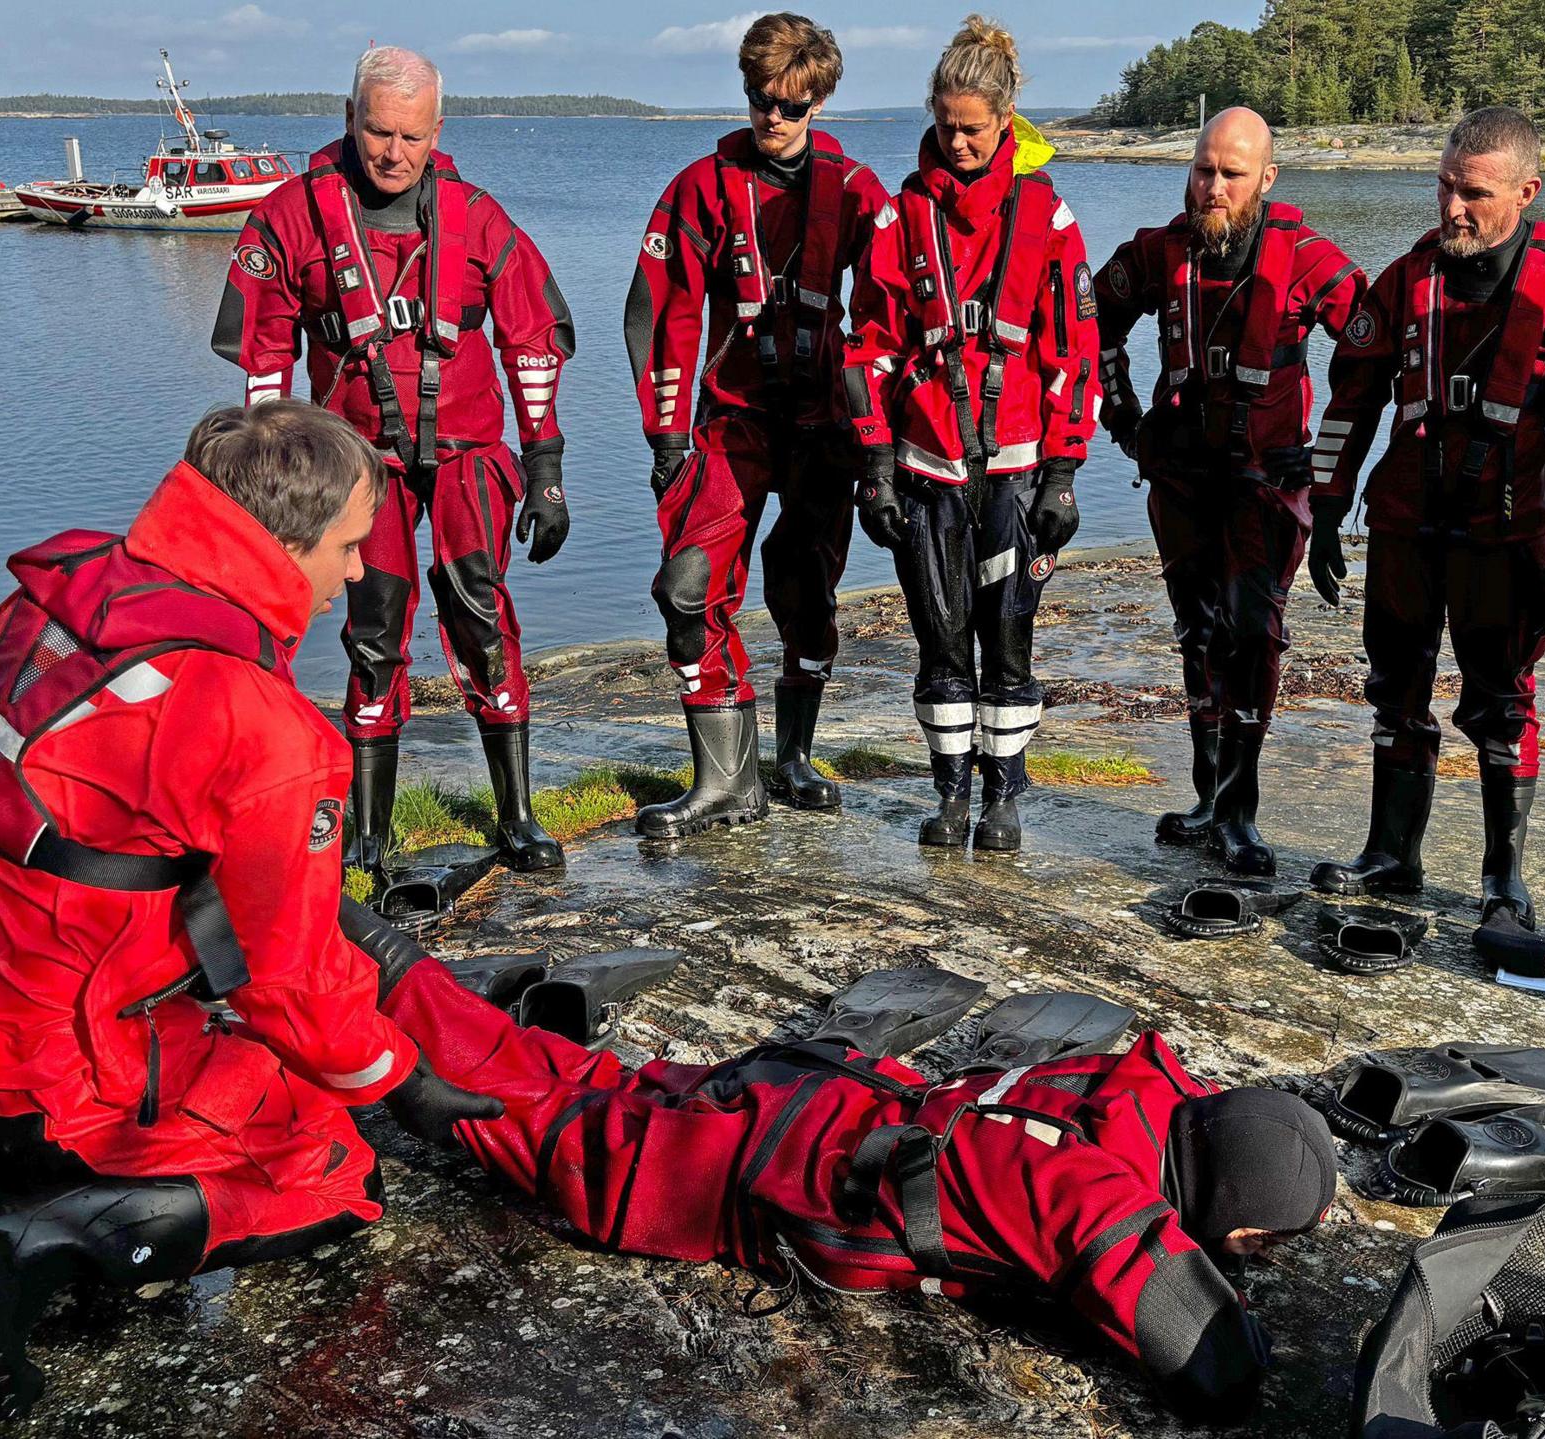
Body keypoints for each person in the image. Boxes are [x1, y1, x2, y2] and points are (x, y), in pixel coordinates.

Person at [0, 402, 501, 1432]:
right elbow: (285, 986)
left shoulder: (55, 602)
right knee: (331, 1165)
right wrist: (402, 1078)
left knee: (84, 1052)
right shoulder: (263, 722)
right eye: (346, 547)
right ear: (284, 545)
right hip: (44, 1079)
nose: (353, 577)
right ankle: (40, 1249)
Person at [368, 938, 1337, 1420]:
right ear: (1231, 1218)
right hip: (718, 1177)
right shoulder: (1089, 1195)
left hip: (798, 1088)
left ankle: (369, 951)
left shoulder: (1102, 1084)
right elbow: (1218, 1367)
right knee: (514, 1116)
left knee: (570, 1072)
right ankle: (343, 1004)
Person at [213, 45, 579, 879]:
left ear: (437, 131)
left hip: (468, 462)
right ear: (349, 119)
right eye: (377, 132)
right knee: (372, 635)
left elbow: (533, 339)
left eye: (411, 137)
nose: (392, 154)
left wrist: (547, 467)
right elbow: (264, 359)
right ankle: (367, 835)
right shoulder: (289, 216)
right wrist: (273, 488)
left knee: (484, 624)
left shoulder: (479, 217)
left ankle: (517, 816)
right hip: (355, 468)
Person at [1306, 107, 1545, 967]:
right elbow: (1350, 401)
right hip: (1407, 528)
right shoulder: (1404, 280)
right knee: (1394, 689)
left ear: (1526, 192)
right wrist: (1327, 509)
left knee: (1502, 703)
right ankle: (1392, 855)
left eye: (1474, 194)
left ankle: (1502, 880)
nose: (1453, 207)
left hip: (1509, 536)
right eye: (1445, 185)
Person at [623, 13, 894, 837]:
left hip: (822, 428)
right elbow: (660, 309)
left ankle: (794, 757)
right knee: (686, 588)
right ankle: (724, 780)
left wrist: (880, 448)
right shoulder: (701, 187)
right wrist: (666, 434)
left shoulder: (855, 191)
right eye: (757, 99)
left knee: (807, 595)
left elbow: (887, 319)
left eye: (788, 105)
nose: (770, 118)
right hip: (728, 425)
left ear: (817, 101)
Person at [841, 16, 1100, 851]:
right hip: (927, 466)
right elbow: (868, 343)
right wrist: (874, 460)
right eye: (946, 126)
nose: (957, 142)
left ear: (1007, 117)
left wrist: (1064, 471)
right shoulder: (901, 215)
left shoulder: (1048, 218)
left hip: (1019, 469)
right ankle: (950, 791)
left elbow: (1077, 353)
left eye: (974, 129)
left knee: (1009, 631)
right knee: (941, 633)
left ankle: (1004, 794)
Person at [1092, 107, 1367, 875]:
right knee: (1197, 633)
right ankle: (1208, 796)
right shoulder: (1157, 252)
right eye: (1204, 169)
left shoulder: (1308, 258)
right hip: (1180, 479)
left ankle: (1241, 813)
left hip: (1266, 481)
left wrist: (1329, 470)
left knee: (1254, 635)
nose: (1213, 187)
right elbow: (1089, 319)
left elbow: (1374, 350)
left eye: (1232, 174)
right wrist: (1124, 418)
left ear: (1266, 178)